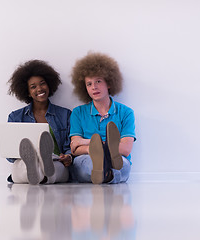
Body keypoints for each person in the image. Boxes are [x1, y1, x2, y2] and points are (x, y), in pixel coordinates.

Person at [69, 52, 136, 184]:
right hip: (88, 157)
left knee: (123, 164)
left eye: (98, 81)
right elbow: (75, 149)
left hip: (115, 157)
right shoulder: (78, 113)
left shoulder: (126, 112)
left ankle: (104, 172)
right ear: (85, 88)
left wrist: (89, 143)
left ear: (109, 83)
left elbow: (126, 149)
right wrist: (92, 150)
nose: (94, 87)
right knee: (86, 163)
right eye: (89, 84)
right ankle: (108, 173)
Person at [7, 59, 72, 185]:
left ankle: (42, 166)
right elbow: (11, 156)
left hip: (56, 161)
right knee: (22, 166)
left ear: (49, 85)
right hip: (25, 162)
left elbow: (69, 148)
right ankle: (38, 170)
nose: (39, 89)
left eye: (42, 84)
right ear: (28, 92)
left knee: (53, 168)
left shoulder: (65, 115)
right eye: (33, 87)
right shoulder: (15, 117)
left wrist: (68, 157)